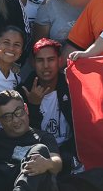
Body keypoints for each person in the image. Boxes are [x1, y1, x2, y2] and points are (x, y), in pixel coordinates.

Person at [20, 38, 75, 169]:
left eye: (51, 59)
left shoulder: (72, 86)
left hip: (69, 151)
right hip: (39, 153)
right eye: (40, 60)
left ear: (60, 61)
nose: (46, 66)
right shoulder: (23, 91)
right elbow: (23, 136)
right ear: (33, 63)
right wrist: (33, 105)